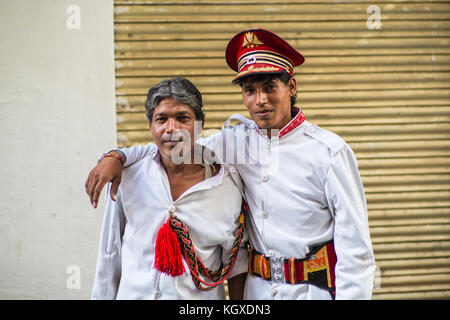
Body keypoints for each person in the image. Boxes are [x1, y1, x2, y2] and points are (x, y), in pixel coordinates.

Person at [86, 28, 376, 300]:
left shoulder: (329, 152)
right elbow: (172, 145)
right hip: (258, 292)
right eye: (250, 90)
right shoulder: (233, 141)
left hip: (310, 290)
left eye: (270, 86)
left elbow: (356, 251)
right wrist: (117, 156)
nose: (260, 100)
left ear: (292, 86)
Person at [90, 77, 248, 300]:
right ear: (150, 126)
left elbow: (237, 263)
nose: (171, 128)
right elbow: (110, 253)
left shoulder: (227, 184)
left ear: (199, 125)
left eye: (183, 118)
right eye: (161, 119)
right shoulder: (128, 176)